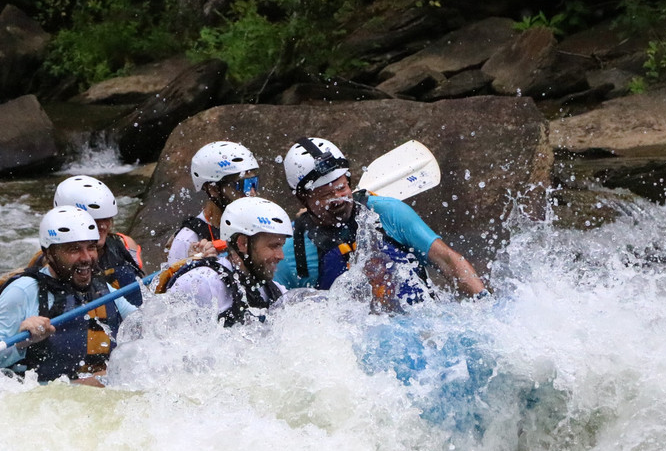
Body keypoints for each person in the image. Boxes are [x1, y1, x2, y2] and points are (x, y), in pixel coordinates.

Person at [273, 137, 487, 309]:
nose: (338, 199)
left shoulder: (389, 213)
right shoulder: (292, 251)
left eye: (341, 188)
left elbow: (449, 261)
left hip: (423, 328)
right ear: (303, 199)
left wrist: (485, 302)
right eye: (326, 194)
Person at [0, 206, 138, 385]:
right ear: (49, 253)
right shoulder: (23, 291)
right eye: (74, 249)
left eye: (91, 247)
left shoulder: (102, 288)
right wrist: (20, 343)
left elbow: (143, 325)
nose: (86, 258)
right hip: (43, 402)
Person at [160, 197, 292, 326]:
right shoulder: (200, 283)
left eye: (281, 246)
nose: (281, 256)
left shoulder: (276, 291)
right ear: (243, 243)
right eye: (273, 246)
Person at [52, 175, 145, 303]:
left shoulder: (126, 245)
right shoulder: (51, 261)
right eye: (95, 220)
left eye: (106, 218)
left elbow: (147, 292)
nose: (102, 226)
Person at [167, 141, 260, 263]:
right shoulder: (187, 240)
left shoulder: (260, 222)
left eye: (254, 183)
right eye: (244, 185)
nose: (252, 193)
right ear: (214, 189)